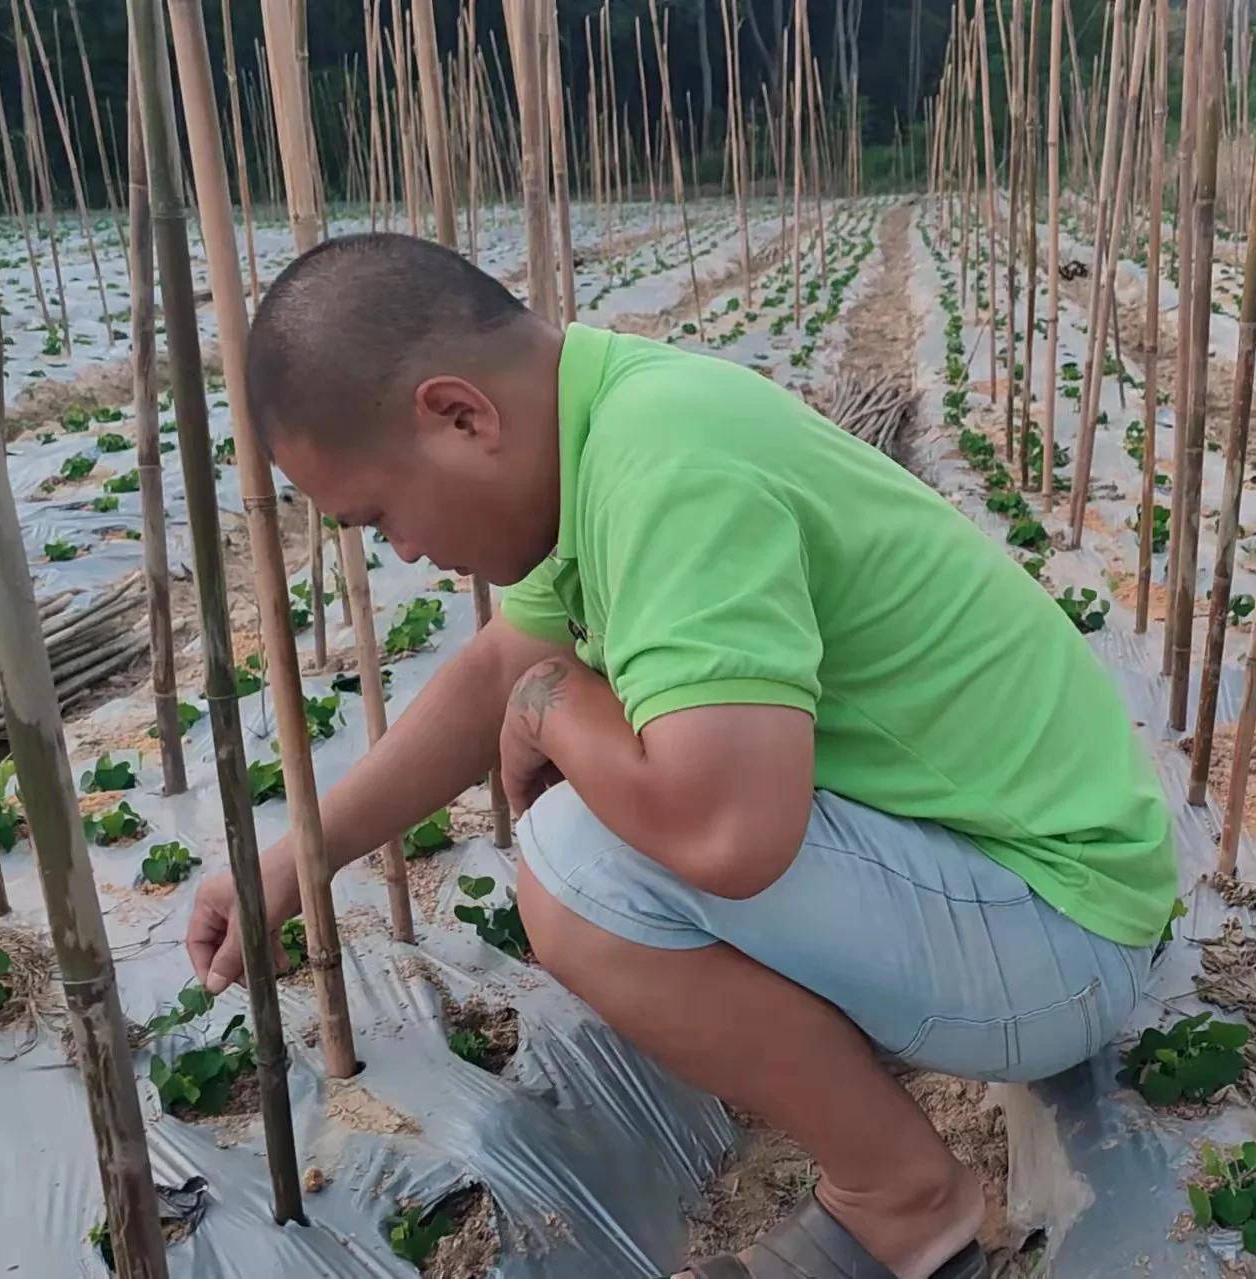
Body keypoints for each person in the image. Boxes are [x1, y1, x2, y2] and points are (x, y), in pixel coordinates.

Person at [185, 233, 1175, 1279]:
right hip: (1016, 883)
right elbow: (492, 674)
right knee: (609, 788)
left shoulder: (665, 463)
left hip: (1058, 937)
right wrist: (300, 856)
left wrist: (554, 704)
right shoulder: (611, 420)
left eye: (378, 515)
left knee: (578, 862)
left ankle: (900, 1198)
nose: (405, 552)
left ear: (459, 413)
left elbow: (727, 835)